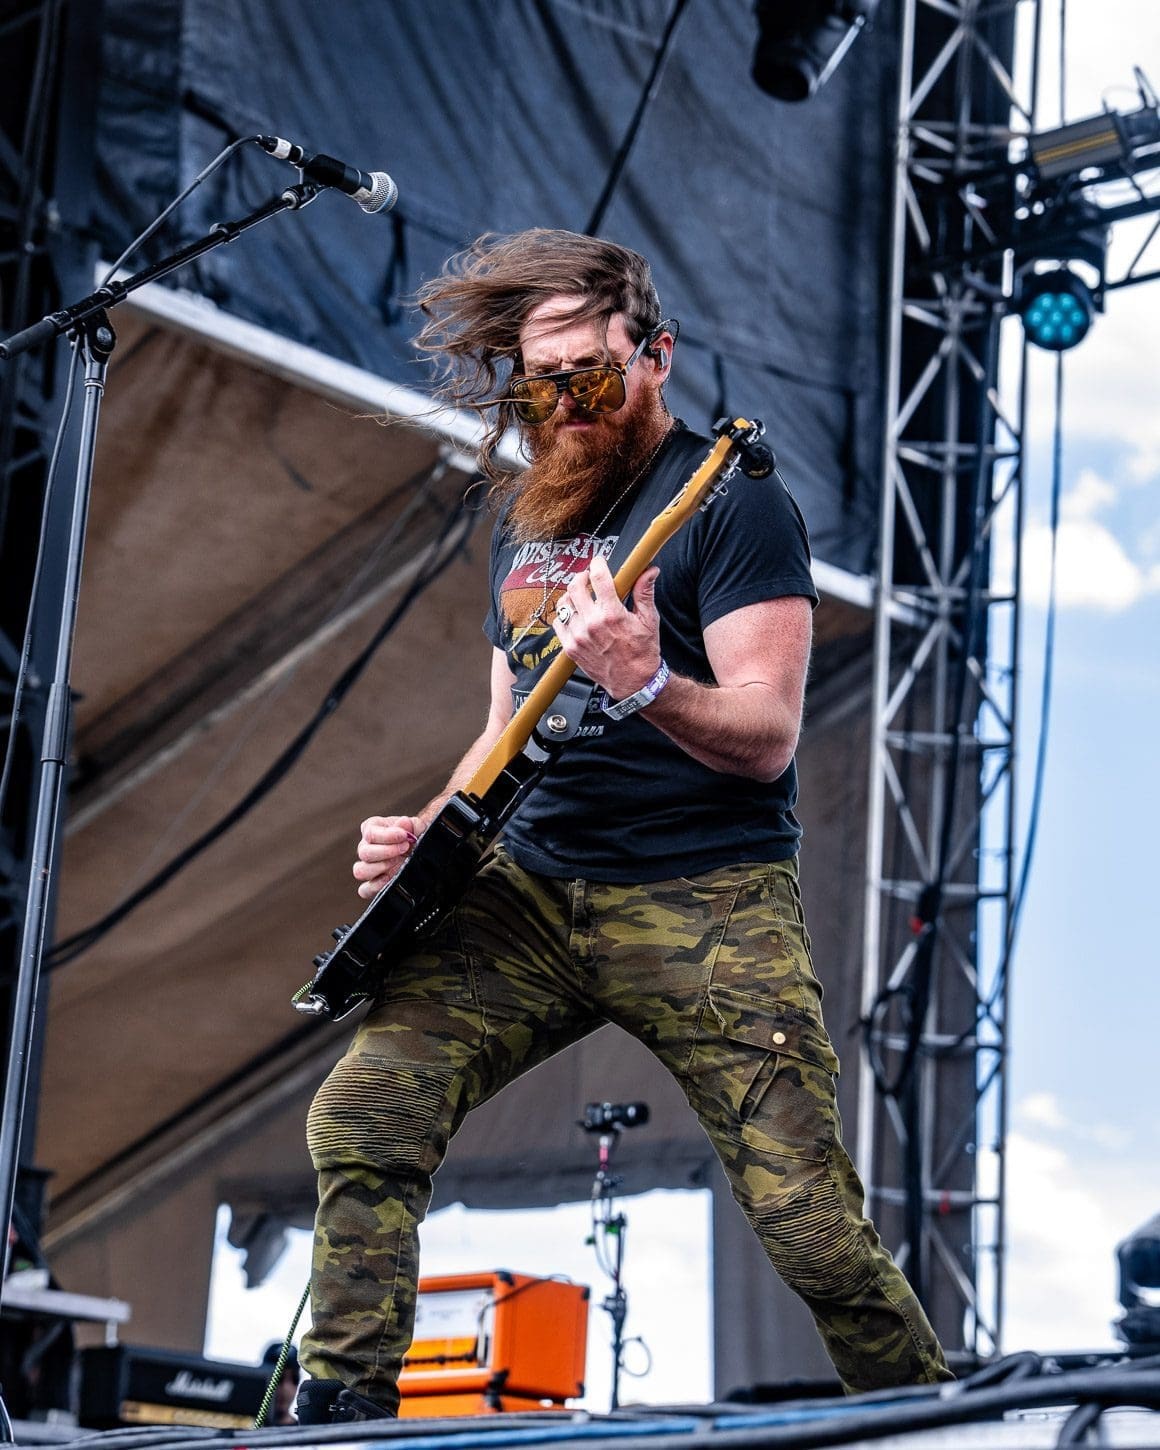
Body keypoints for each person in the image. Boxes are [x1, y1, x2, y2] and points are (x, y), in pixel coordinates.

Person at [295, 229, 951, 1423]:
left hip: (705, 893)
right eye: (540, 386)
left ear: (654, 355)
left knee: (809, 1221)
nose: (565, 407)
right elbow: (498, 738)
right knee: (362, 1108)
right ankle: (336, 1409)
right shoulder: (530, 522)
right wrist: (421, 832)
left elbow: (765, 733)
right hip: (528, 888)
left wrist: (647, 680)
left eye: (590, 376)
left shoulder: (732, 501)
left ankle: (942, 1423)